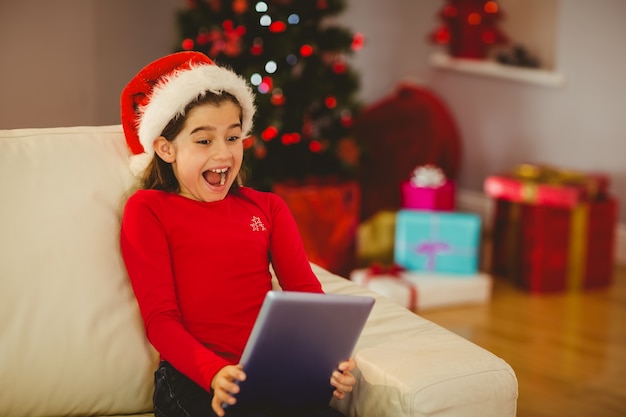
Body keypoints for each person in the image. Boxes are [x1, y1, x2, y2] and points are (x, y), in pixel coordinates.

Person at [119, 51, 356, 417]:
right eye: (203, 141)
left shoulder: (268, 208)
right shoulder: (148, 210)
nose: (224, 154)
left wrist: (328, 360)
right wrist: (214, 373)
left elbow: (308, 298)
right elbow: (160, 320)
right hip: (192, 379)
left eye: (233, 137)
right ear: (166, 149)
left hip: (270, 375)